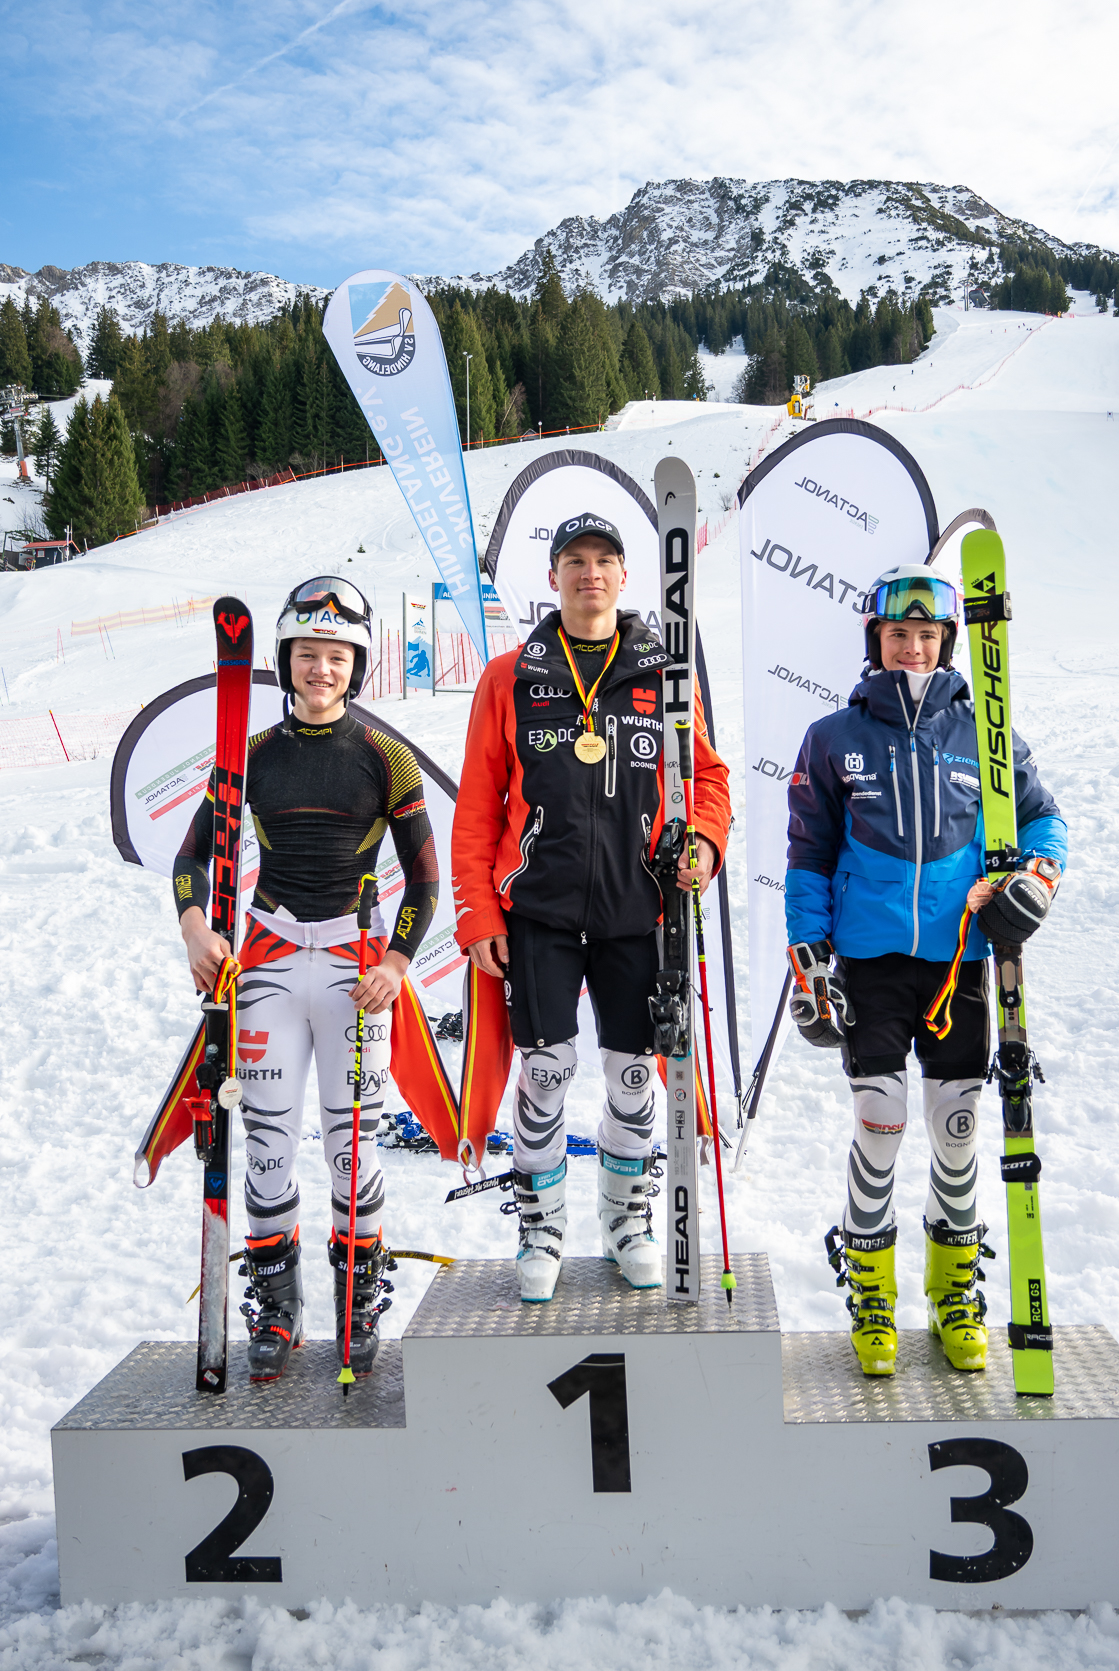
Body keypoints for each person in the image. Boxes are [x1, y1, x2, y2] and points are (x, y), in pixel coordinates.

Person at [784, 563, 1066, 1378]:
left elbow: (1043, 823)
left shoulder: (987, 734)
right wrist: (811, 960)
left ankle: (953, 1294)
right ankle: (871, 1291)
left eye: (927, 635)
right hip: (870, 963)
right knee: (879, 1121)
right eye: (897, 634)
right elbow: (808, 855)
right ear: (875, 640)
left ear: (946, 642)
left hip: (959, 963)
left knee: (956, 1130)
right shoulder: (834, 737)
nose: (912, 648)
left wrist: (1031, 882)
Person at [452, 511, 732, 1302]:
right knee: (544, 1071)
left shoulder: (662, 673)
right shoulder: (509, 676)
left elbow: (706, 778)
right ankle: (539, 1227)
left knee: (634, 1077)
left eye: (604, 560)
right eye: (574, 560)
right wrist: (476, 913)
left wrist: (704, 842)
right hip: (535, 910)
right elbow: (477, 806)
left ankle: (626, 1220)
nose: (590, 573)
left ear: (623, 575)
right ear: (552, 578)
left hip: (636, 910)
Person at [173, 576, 438, 1382]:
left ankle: (357, 1300)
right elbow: (192, 860)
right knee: (265, 1145)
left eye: (336, 657)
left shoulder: (384, 756)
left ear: (355, 666)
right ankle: (277, 1306)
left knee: (354, 1150)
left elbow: (424, 881)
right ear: (286, 661)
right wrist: (195, 927)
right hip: (270, 958)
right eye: (307, 655)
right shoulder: (248, 755)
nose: (320, 670)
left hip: (355, 968)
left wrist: (396, 961)